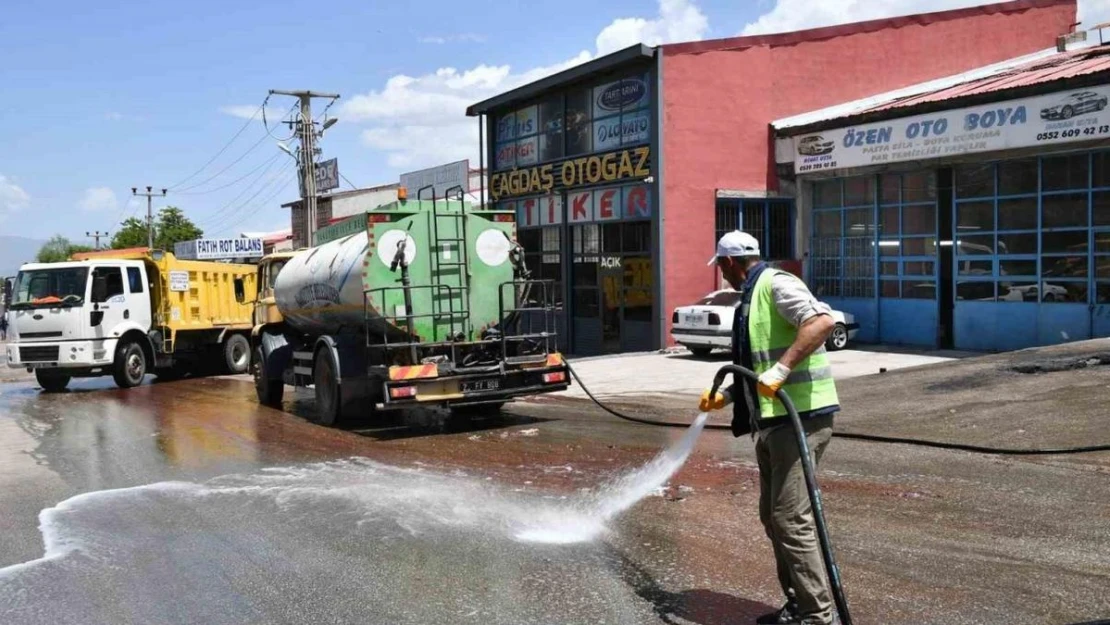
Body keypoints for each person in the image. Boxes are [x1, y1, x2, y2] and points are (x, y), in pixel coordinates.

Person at [698, 230, 840, 625]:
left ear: (729, 263)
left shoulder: (777, 284)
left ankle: (817, 615)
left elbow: (821, 322)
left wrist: (782, 369)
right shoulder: (750, 297)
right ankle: (798, 603)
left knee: (790, 518)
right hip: (771, 420)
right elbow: (756, 362)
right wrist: (727, 396)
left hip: (802, 419)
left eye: (721, 268)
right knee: (772, 517)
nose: (722, 276)